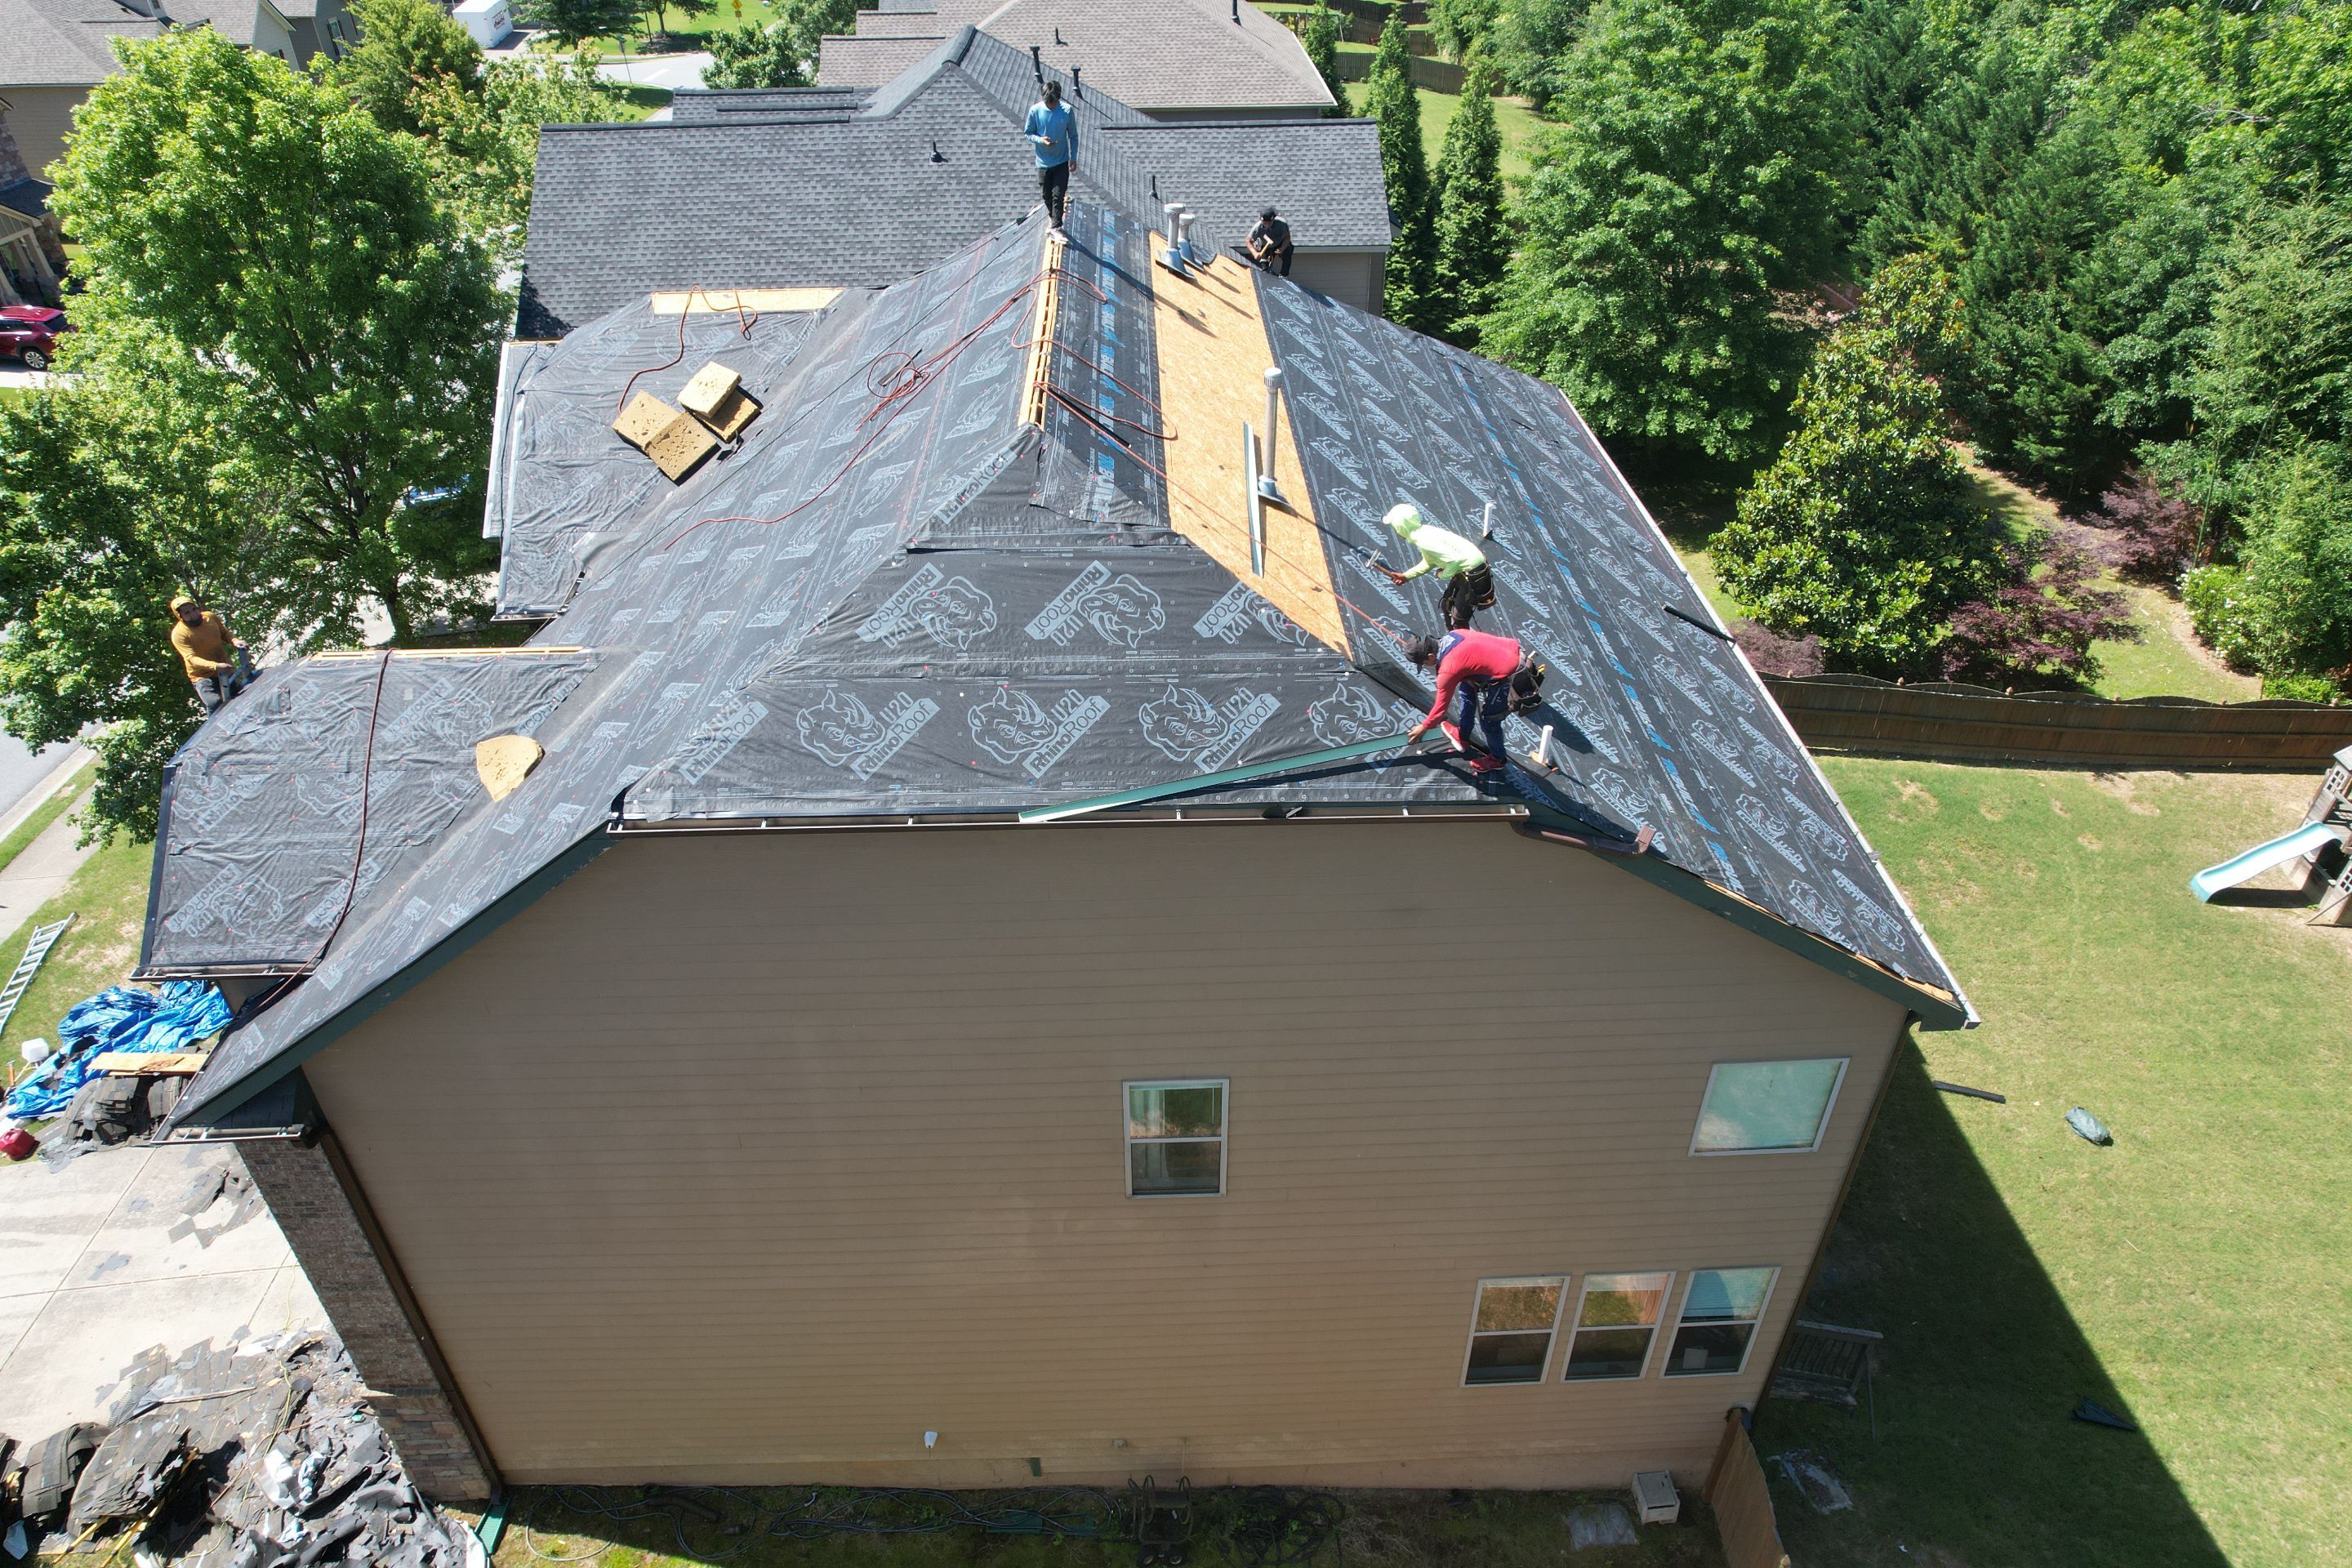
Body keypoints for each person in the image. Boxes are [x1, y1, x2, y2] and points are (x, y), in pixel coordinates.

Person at [1404, 628, 1520, 773]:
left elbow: (1440, 709)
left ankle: (1498, 759)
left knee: (1489, 722)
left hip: (1511, 675)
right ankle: (1462, 736)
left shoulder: (1448, 670)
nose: (1427, 667)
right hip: (1508, 652)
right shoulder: (1455, 634)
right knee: (1466, 688)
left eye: (1424, 663)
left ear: (1430, 656)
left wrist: (1424, 727)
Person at [1379, 502, 1493, 628]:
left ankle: (1460, 645)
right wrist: (1406, 576)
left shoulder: (1424, 541)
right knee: (1447, 606)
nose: (1396, 531)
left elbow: (1454, 560)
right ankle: (1453, 640)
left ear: (1401, 527)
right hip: (1467, 571)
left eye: (1395, 527)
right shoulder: (1424, 533)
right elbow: (1429, 562)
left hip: (1474, 573)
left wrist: (1442, 575)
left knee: (1459, 619)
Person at [169, 594, 255, 714]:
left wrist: (235, 641)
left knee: (241, 696)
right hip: (203, 676)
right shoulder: (179, 634)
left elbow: (224, 634)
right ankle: (216, 731)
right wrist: (216, 666)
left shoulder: (210, 617)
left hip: (224, 669)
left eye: (194, 609)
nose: (193, 615)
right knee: (215, 702)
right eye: (187, 613)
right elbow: (191, 659)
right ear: (180, 616)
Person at [1024, 80, 1076, 229]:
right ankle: (1055, 218)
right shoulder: (1035, 111)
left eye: (1053, 103)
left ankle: (1056, 228)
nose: (1051, 105)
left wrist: (1074, 157)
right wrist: (1041, 140)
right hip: (1043, 162)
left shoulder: (1067, 110)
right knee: (1047, 196)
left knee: (1058, 196)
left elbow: (1073, 136)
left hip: (1061, 161)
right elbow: (1028, 133)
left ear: (1058, 99)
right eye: (1048, 103)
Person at [1246, 207, 1294, 277]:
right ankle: (1266, 276)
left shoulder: (1282, 224)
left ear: (1273, 219)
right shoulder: (1257, 228)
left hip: (1280, 244)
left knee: (1288, 250)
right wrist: (1255, 253)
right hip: (1266, 246)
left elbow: (1287, 237)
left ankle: (1284, 275)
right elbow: (1248, 241)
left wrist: (1282, 248)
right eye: (1265, 223)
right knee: (1264, 269)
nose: (1267, 225)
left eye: (1269, 223)